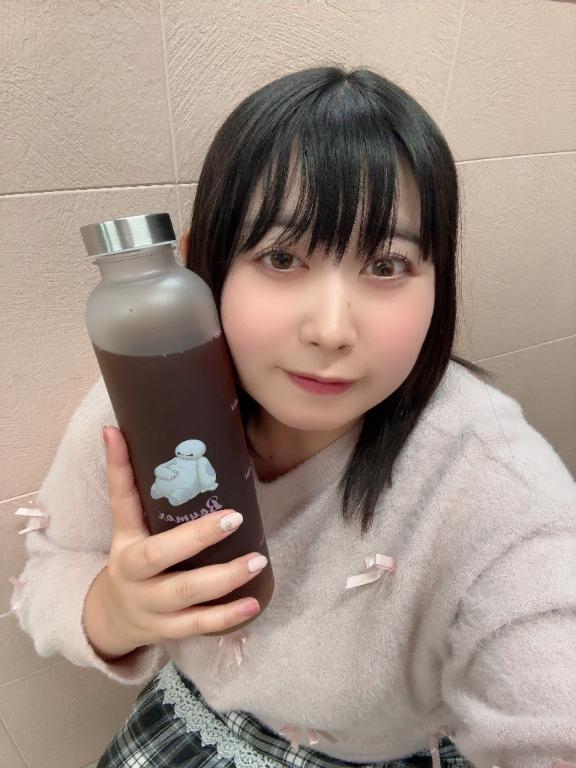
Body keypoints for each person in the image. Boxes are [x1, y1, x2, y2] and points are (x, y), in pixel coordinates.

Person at [10, 66, 576, 768]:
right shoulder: (142, 408)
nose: (331, 330)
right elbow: (50, 570)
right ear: (200, 266)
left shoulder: (495, 482)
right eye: (281, 257)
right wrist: (112, 611)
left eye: (387, 265)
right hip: (188, 717)